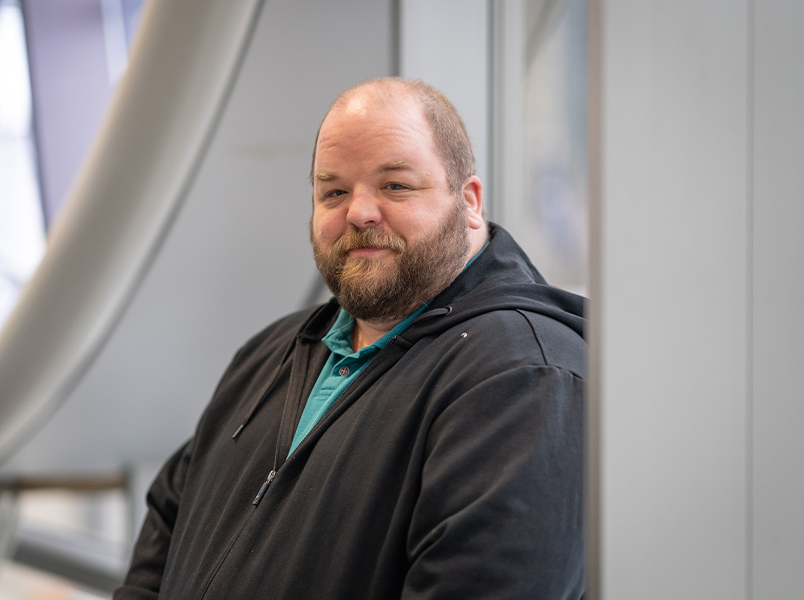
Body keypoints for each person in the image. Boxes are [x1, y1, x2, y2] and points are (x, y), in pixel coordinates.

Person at [113, 77, 585, 599]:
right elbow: (168, 520)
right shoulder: (272, 354)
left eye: (396, 185)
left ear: (470, 202)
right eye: (333, 191)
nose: (358, 212)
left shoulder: (522, 378)